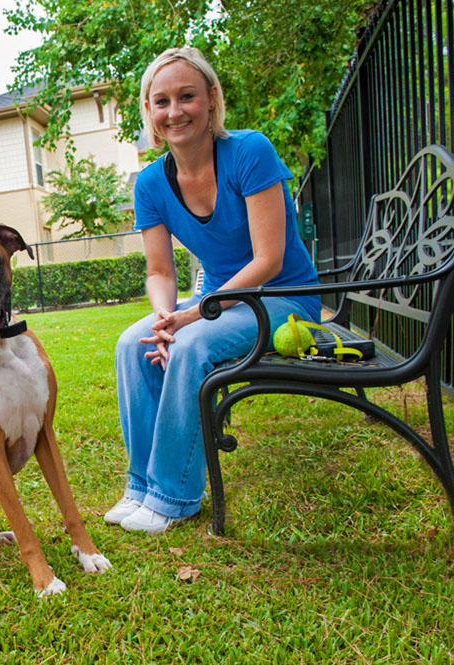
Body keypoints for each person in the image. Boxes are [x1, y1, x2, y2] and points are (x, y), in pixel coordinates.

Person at [106, 47, 321, 534]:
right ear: (149, 112)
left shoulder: (250, 151)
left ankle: (173, 497)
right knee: (132, 344)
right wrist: (165, 317)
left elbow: (268, 261)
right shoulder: (149, 184)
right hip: (222, 304)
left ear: (211, 99)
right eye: (160, 101)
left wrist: (194, 316)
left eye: (187, 97)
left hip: (282, 299)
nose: (174, 111)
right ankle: (140, 485)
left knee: (193, 340)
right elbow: (160, 272)